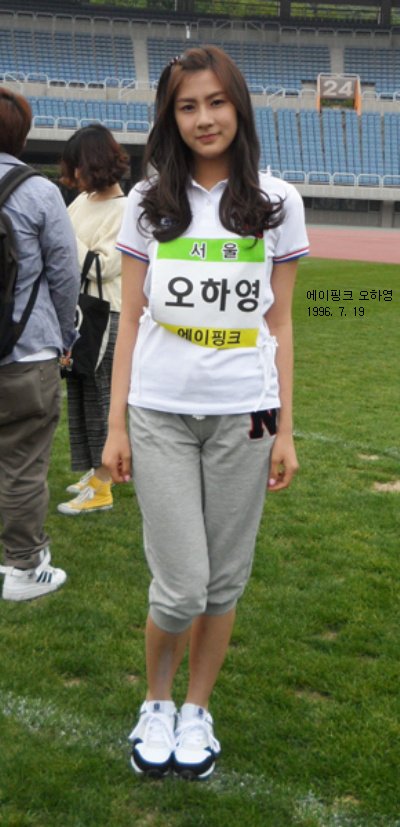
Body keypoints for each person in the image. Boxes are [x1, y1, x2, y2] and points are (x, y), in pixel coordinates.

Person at [102, 45, 309, 780]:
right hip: (159, 410)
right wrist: (116, 424)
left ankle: (195, 709)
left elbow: (280, 323)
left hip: (247, 414)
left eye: (216, 101)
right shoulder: (147, 201)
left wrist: (285, 428)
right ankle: (154, 700)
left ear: (238, 107)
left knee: (224, 581)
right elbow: (130, 319)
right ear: (171, 118)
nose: (204, 118)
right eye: (187, 106)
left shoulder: (278, 202)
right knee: (182, 583)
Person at [0, 87, 80, 602]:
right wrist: (65, 336)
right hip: (26, 352)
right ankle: (25, 567)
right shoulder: (38, 192)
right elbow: (64, 274)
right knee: (23, 465)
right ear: (23, 136)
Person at [57, 125, 129, 516]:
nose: (73, 175)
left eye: (77, 166)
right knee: (81, 394)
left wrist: (63, 234)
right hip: (80, 312)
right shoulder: (82, 201)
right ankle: (93, 471)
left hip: (106, 314)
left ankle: (103, 482)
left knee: (101, 397)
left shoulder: (124, 209)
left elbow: (104, 267)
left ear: (94, 164)